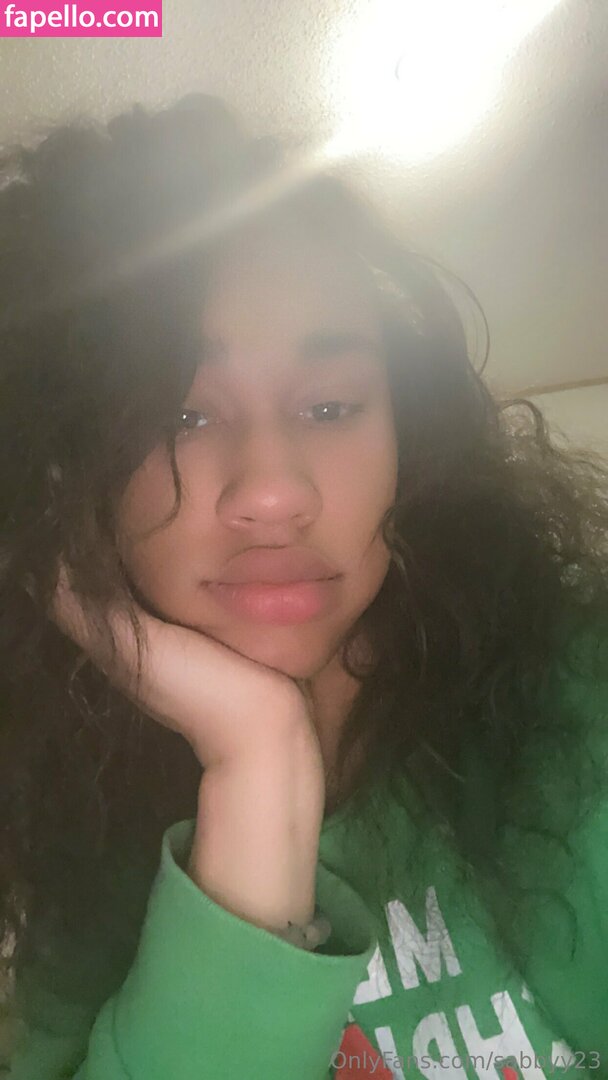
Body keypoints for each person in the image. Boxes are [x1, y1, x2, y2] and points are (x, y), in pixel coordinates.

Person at [0, 92, 606, 1080]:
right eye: (181, 416)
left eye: (330, 407)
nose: (274, 493)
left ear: (409, 443)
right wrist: (257, 763)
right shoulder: (74, 859)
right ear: (67, 477)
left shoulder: (581, 705)